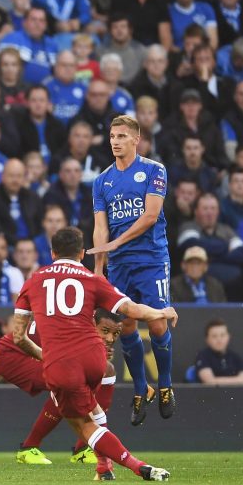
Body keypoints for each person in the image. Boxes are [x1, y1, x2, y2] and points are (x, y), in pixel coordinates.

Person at [12, 226, 176, 481]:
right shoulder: (93, 279)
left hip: (63, 363)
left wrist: (46, 357)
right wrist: (162, 313)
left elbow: (19, 337)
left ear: (53, 253)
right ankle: (103, 467)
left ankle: (138, 466)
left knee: (82, 424)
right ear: (81, 253)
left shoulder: (34, 280)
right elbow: (132, 310)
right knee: (92, 406)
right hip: (95, 358)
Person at [89, 115, 175, 426]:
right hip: (120, 266)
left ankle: (165, 384)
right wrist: (99, 268)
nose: (115, 141)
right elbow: (101, 228)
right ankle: (142, 389)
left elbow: (151, 216)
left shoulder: (154, 170)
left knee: (157, 325)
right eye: (112, 136)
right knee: (124, 327)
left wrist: (118, 241)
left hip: (152, 259)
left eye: (122, 136)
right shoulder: (102, 181)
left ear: (136, 139)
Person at [0, 308, 122, 467]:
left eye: (115, 333)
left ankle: (83, 449)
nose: (110, 338)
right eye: (105, 331)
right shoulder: (76, 328)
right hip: (13, 355)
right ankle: (29, 448)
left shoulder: (84, 325)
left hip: (39, 352)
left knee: (107, 370)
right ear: (92, 323)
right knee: (65, 382)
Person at [194, 319, 243, 384]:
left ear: (228, 337)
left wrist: (217, 381)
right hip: (209, 394)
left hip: (235, 394)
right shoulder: (202, 356)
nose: (219, 340)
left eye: (222, 335)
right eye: (214, 336)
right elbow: (209, 381)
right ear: (207, 339)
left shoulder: (235, 357)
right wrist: (238, 380)